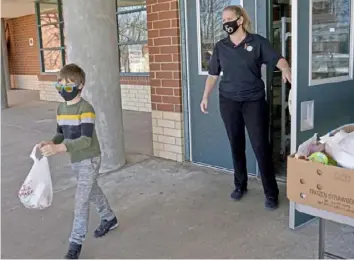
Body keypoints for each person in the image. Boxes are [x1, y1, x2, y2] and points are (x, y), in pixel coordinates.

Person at [200, 5, 291, 210]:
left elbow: (277, 59)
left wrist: (285, 68)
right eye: (223, 20)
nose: (226, 23)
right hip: (229, 101)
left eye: (229, 19)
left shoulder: (256, 42)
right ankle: (240, 185)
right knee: (236, 144)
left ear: (240, 20)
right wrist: (205, 96)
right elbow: (213, 74)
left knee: (260, 146)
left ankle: (271, 193)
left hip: (254, 101)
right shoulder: (221, 47)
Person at [38, 64, 118, 259]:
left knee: (81, 201)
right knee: (91, 191)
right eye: (61, 84)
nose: (64, 89)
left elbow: (85, 140)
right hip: (75, 159)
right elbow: (60, 133)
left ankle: (75, 244)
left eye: (69, 84)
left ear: (80, 85)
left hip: (89, 159)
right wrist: (52, 142)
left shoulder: (86, 109)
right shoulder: (60, 108)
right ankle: (109, 218)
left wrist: (59, 148)